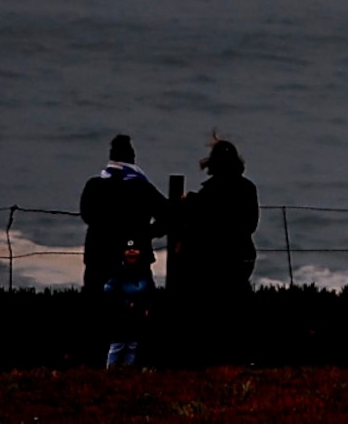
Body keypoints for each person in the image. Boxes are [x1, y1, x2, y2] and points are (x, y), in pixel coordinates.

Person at [169, 137, 259, 358]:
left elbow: (199, 218)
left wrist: (186, 201)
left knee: (212, 307)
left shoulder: (209, 192)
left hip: (214, 259)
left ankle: (212, 353)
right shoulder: (248, 188)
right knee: (237, 304)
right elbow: (252, 223)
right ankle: (241, 352)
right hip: (242, 256)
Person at [78, 135, 168, 296]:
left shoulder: (94, 186)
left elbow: (86, 215)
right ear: (132, 158)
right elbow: (168, 215)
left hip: (98, 255)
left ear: (111, 157)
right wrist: (146, 233)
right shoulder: (142, 188)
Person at [99, 237, 156, 369]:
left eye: (135, 249)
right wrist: (124, 304)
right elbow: (108, 291)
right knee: (117, 345)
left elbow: (150, 291)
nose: (132, 252)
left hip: (138, 314)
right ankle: (111, 372)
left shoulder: (145, 271)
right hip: (120, 315)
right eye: (128, 249)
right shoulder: (117, 271)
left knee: (133, 345)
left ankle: (128, 371)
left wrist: (147, 307)